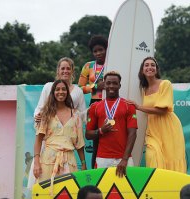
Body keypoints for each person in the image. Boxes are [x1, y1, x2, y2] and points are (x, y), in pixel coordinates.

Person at [27, 57, 87, 189]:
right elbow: (40, 109)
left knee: (69, 192)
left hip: (69, 154)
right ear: (58, 70)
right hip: (48, 151)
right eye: (62, 68)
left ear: (72, 71)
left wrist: (83, 163)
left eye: (68, 68)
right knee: (45, 190)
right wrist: (38, 117)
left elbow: (82, 117)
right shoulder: (48, 91)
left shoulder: (78, 94)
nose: (65, 71)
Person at [127, 57, 186, 173]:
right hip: (152, 130)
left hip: (169, 128)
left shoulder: (165, 84)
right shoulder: (144, 89)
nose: (150, 67)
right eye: (146, 65)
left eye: (152, 65)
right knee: (152, 156)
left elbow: (163, 110)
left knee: (171, 160)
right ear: (142, 70)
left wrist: (138, 107)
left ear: (157, 69)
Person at [85, 71, 138, 177]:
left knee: (127, 192)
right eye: (108, 83)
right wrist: (101, 131)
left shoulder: (129, 106)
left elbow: (132, 134)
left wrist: (124, 159)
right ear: (104, 85)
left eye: (115, 83)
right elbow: (88, 134)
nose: (111, 86)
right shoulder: (95, 107)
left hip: (124, 159)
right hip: (102, 158)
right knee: (102, 191)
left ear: (119, 85)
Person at [78, 35, 108, 168]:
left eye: (101, 49)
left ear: (107, 49)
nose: (98, 53)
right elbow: (80, 88)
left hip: (111, 104)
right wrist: (95, 87)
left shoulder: (114, 62)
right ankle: (94, 173)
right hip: (95, 105)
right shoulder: (88, 66)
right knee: (96, 141)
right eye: (95, 51)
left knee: (111, 138)